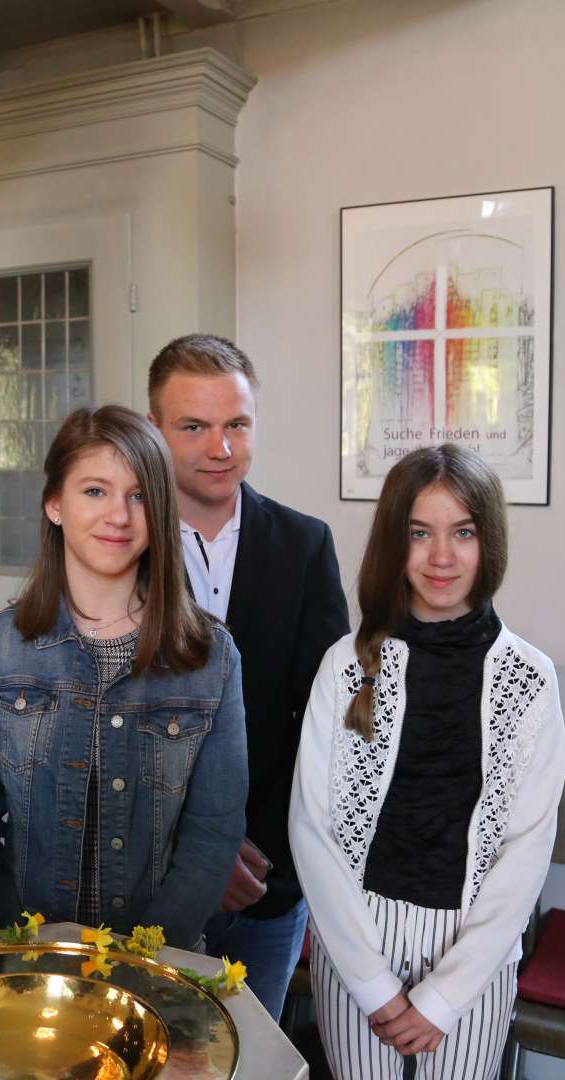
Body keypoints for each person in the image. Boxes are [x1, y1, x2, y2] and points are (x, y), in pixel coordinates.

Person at [289, 444, 565, 1080]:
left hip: (474, 946)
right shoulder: (346, 664)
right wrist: (371, 983)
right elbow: (313, 824)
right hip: (358, 937)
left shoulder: (530, 678)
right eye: (420, 533)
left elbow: (528, 846)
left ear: (487, 540)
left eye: (462, 532)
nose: (442, 557)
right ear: (395, 541)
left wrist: (445, 996)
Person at [0, 404, 247, 948]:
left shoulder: (211, 658)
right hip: (26, 960)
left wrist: (140, 961)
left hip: (158, 965)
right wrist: (19, 947)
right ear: (54, 504)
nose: (118, 515)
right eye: (94, 491)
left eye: (138, 495)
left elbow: (213, 835)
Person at [147, 333, 349, 1017]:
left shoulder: (304, 545)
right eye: (194, 426)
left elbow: (325, 726)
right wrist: (201, 850)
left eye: (236, 424)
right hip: (145, 880)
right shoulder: (117, 542)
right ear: (155, 430)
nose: (220, 448)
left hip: (264, 885)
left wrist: (249, 847)